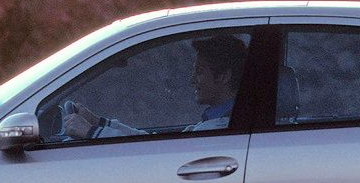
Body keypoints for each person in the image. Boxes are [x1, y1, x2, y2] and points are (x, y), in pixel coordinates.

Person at [60, 34, 245, 140]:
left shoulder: (218, 129)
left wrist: (92, 133)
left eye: (199, 71)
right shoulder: (222, 122)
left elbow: (154, 158)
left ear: (224, 76)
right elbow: (154, 143)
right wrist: (99, 122)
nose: (192, 80)